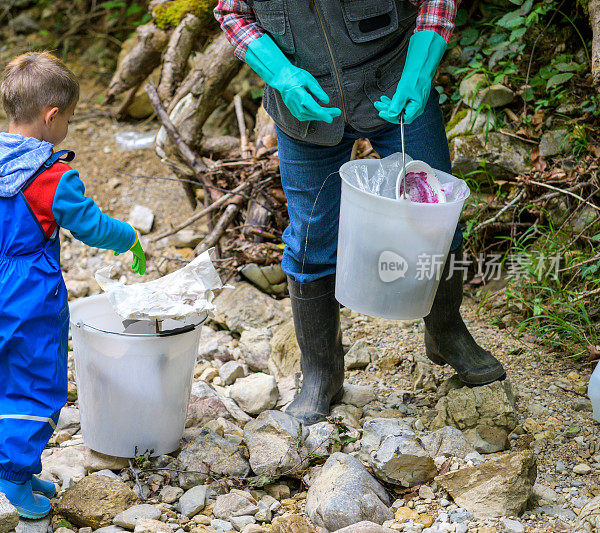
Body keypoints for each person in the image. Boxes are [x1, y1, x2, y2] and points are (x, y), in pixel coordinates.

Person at [214, 0, 506, 425]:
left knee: (437, 215)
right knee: (311, 238)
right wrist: (281, 75)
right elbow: (232, 12)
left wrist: (420, 71)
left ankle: (446, 332)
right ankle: (321, 373)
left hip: (395, 86)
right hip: (303, 106)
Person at [0, 52, 146, 517]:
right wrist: (128, 236)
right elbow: (92, 227)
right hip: (29, 298)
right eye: (68, 118)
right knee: (37, 388)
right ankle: (10, 478)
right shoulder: (52, 178)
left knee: (1, 379)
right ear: (51, 116)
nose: (66, 127)